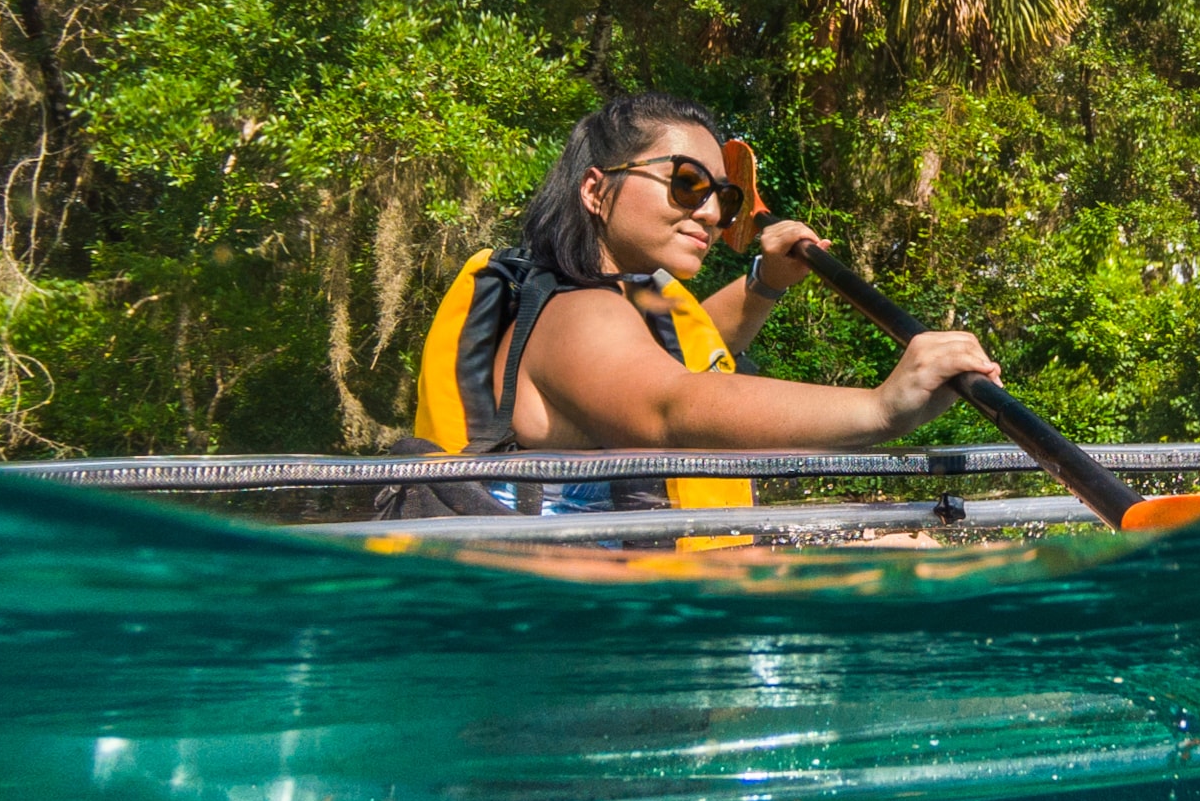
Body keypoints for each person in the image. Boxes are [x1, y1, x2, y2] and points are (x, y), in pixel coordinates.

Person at [386, 93, 999, 518]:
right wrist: (882, 408)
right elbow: (670, 404)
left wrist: (766, 281)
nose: (709, 211)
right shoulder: (577, 314)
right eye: (686, 183)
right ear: (596, 190)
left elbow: (701, 341)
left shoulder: (619, 298)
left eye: (724, 198)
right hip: (598, 659)